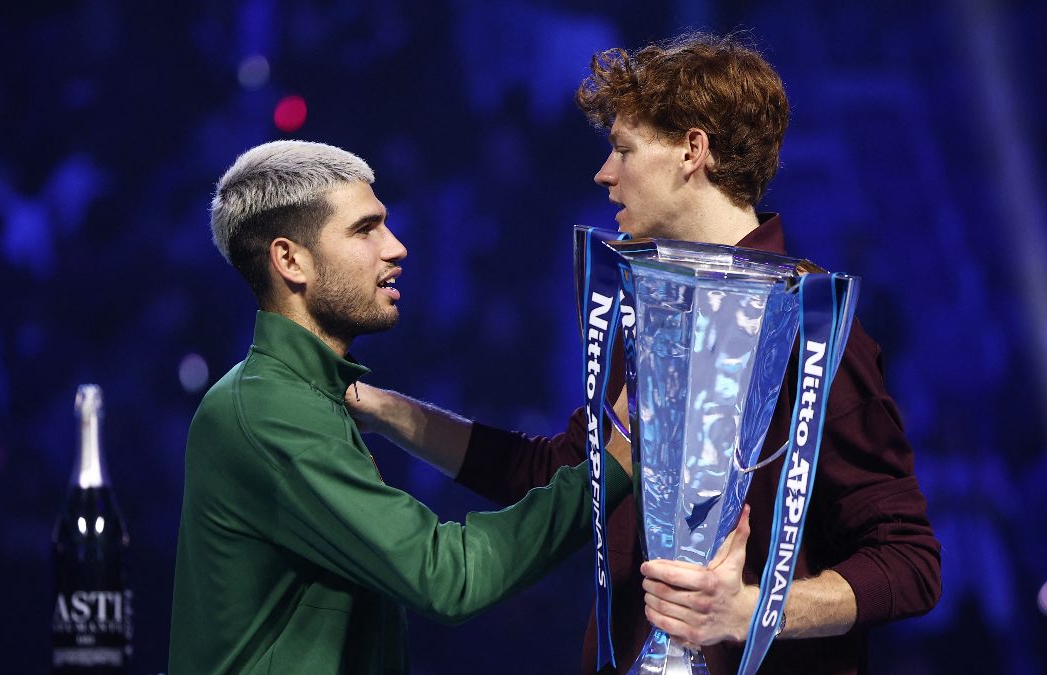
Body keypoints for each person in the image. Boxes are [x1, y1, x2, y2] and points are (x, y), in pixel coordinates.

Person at [348, 33, 941, 674]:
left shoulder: (814, 329)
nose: (604, 172)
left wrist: (751, 611)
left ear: (693, 151)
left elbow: (909, 562)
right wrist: (381, 409)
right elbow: (561, 472)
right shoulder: (647, 316)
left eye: (624, 149)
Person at [167, 140, 634, 674]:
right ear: (290, 260)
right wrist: (615, 467)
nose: (397, 247)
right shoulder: (268, 409)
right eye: (365, 229)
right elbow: (448, 577)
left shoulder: (302, 397)